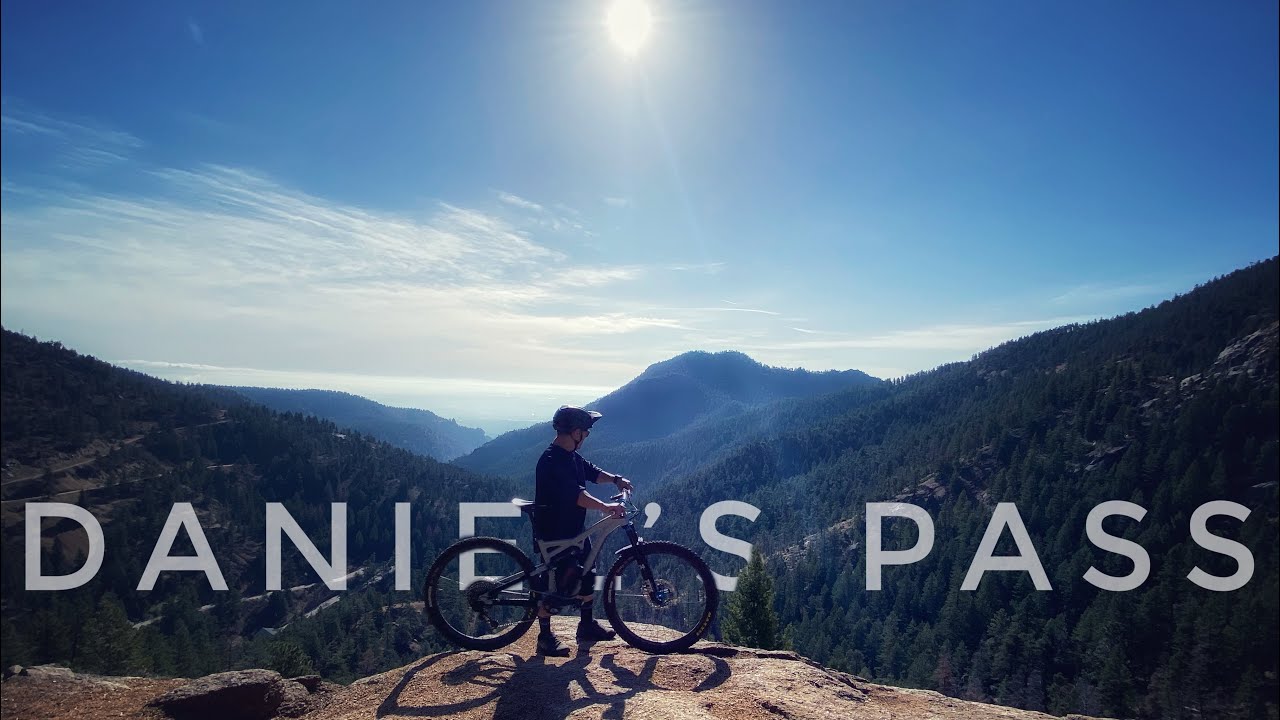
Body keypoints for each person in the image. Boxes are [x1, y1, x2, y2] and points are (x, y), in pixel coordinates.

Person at [532, 405, 634, 656]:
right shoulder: (551, 460)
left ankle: (586, 626)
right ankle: (544, 637)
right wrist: (605, 507)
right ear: (575, 432)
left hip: (574, 528)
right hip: (555, 532)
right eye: (585, 433)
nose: (586, 437)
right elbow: (577, 495)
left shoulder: (571, 455)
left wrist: (616, 479)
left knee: (587, 573)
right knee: (556, 585)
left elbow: (592, 472)